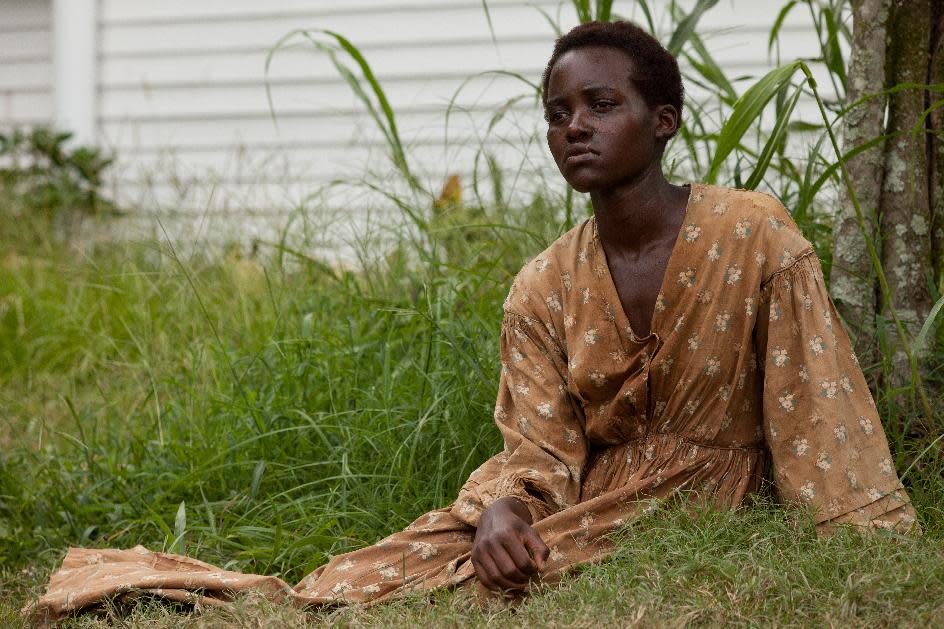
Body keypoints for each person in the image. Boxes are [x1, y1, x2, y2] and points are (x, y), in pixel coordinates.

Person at [27, 20, 917, 621]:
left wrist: (861, 541)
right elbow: (540, 442)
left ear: (665, 119)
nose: (575, 127)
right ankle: (159, 589)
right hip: (589, 492)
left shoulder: (753, 235)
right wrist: (502, 508)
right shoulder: (543, 284)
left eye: (601, 105)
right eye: (557, 113)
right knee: (372, 574)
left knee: (457, 590)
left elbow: (815, 406)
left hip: (706, 492)